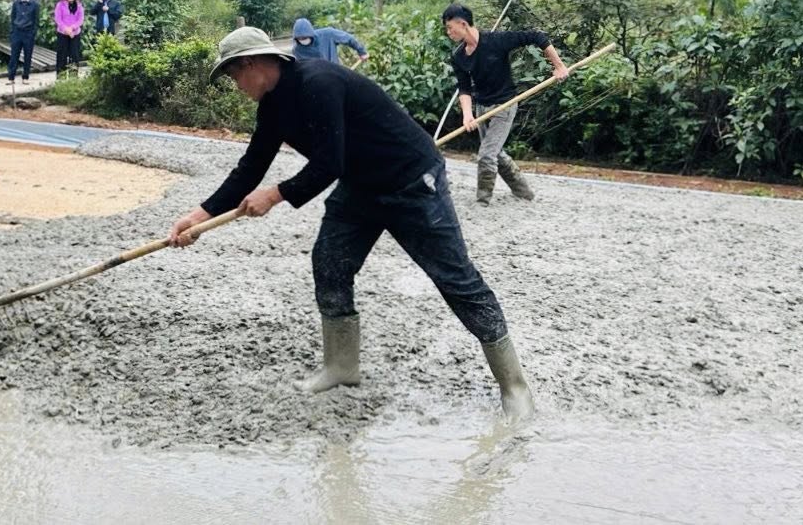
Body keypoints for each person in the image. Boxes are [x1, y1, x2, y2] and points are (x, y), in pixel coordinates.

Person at [167, 27, 535, 421]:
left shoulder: (317, 82)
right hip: (361, 185)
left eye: (233, 75)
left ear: (252, 64)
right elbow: (251, 167)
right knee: (330, 263)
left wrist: (275, 195)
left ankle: (513, 385)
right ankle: (342, 367)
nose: (235, 85)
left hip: (412, 179)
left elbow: (329, 163)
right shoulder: (272, 107)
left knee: (456, 279)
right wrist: (199, 216)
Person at [442, 3, 569, 205]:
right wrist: (468, 115)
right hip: (482, 107)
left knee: (486, 154)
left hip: (505, 105)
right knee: (496, 154)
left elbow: (538, 37)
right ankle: (524, 192)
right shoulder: (458, 57)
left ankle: (482, 201)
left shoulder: (496, 41)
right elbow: (464, 88)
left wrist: (559, 66)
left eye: (450, 27)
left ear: (463, 24)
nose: (448, 32)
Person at [291, 17, 369, 65]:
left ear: (311, 34)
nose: (302, 40)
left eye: (305, 37)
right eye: (300, 39)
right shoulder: (297, 50)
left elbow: (349, 38)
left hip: (334, 72)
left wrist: (362, 52)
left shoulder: (328, 34)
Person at [8, 0, 40, 84]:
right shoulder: (16, 3)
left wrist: (32, 33)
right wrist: (13, 32)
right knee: (14, 55)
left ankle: (25, 77)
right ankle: (11, 78)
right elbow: (12, 18)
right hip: (17, 33)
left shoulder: (35, 5)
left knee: (28, 56)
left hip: (28, 33)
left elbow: (36, 20)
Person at [54, 0, 85, 74]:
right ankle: (61, 77)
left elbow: (80, 19)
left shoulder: (79, 6)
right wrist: (66, 29)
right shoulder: (60, 5)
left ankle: (73, 77)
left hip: (75, 34)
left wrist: (72, 28)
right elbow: (58, 19)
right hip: (62, 33)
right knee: (61, 55)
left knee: (74, 55)